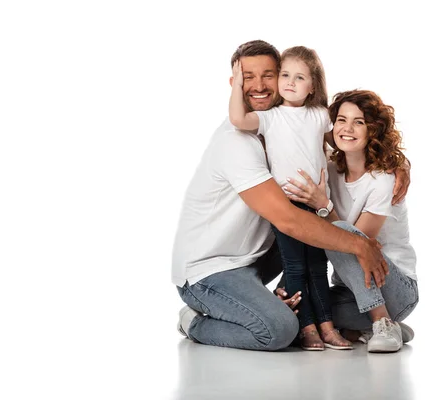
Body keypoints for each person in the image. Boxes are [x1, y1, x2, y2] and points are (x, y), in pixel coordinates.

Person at [172, 40, 410, 351]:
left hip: (256, 261)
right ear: (234, 82)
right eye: (248, 77)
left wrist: (397, 162)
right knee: (279, 330)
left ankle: (313, 316)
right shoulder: (237, 142)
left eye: (269, 74)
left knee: (324, 268)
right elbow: (288, 219)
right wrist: (359, 245)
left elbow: (345, 142)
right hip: (210, 269)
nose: (259, 85)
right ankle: (195, 321)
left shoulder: (291, 126)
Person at [228, 46, 351, 351]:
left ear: (313, 87)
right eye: (285, 75)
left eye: (299, 78)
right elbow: (238, 120)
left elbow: (342, 144)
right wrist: (237, 83)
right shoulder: (270, 117)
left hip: (317, 203)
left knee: (317, 268)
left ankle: (327, 326)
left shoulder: (321, 116)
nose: (290, 82)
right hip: (287, 205)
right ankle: (306, 327)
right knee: (295, 269)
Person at [283, 89, 418, 352]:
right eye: (341, 120)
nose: (348, 128)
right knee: (296, 311)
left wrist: (324, 205)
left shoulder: (384, 180)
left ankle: (383, 322)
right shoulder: (329, 169)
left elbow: (355, 242)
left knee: (344, 232)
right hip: (352, 293)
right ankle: (371, 326)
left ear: (373, 130)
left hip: (396, 288)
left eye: (359, 122)